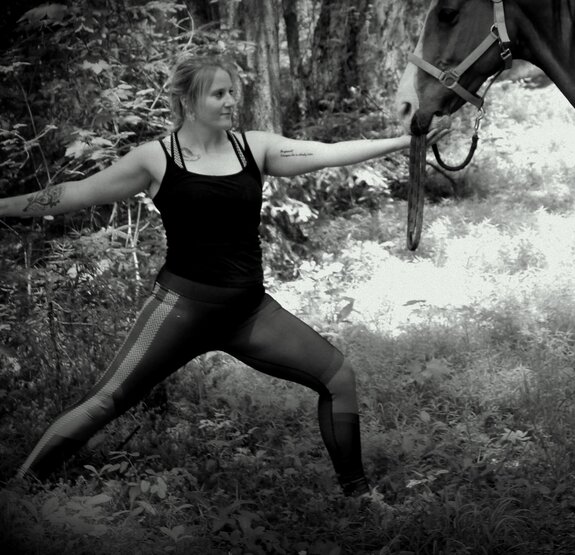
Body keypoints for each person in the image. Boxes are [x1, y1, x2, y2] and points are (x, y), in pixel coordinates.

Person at [0, 54, 448, 496]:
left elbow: (329, 154)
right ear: (189, 103)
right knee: (105, 401)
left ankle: (359, 498)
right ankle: (19, 493)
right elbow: (75, 193)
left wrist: (405, 142)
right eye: (219, 93)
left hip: (248, 312)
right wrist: (3, 206)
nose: (232, 101)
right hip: (181, 310)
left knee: (338, 377)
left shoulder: (254, 147)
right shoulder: (155, 159)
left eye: (233, 91)